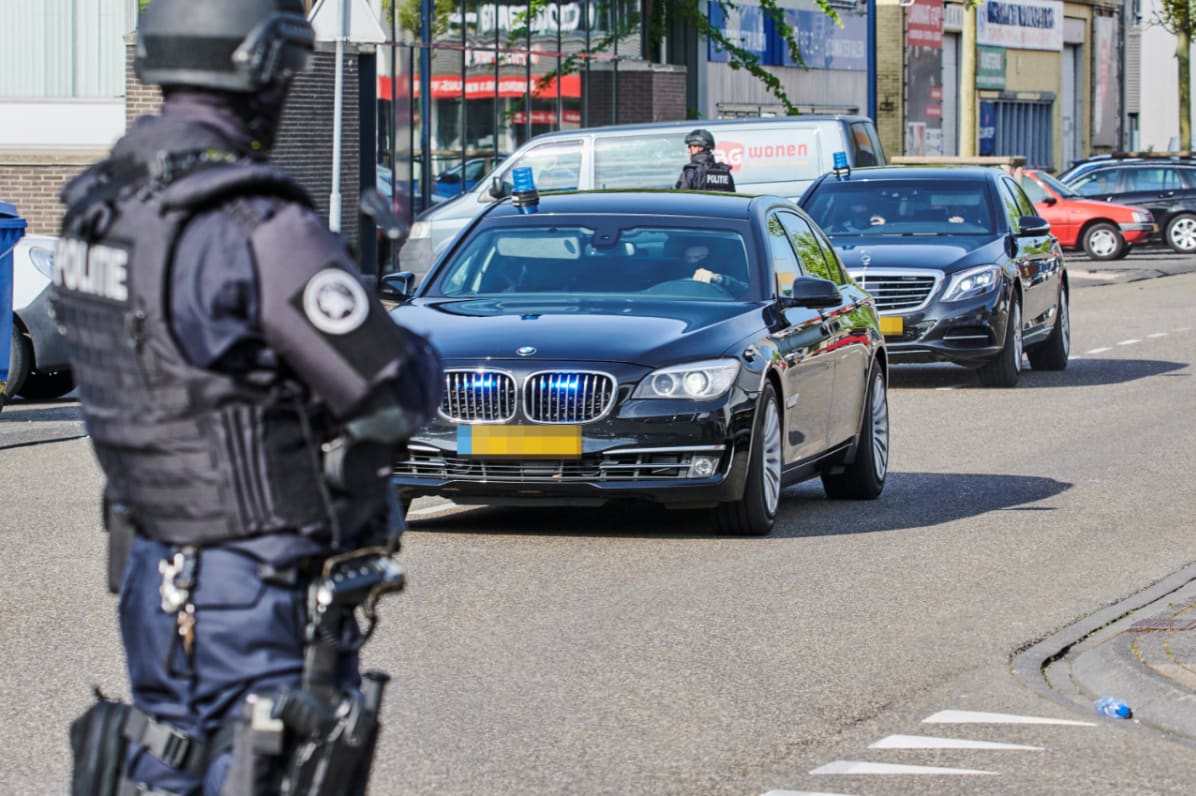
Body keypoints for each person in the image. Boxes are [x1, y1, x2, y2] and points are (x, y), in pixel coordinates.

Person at [58, 1, 442, 794]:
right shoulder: (255, 223)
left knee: (169, 759)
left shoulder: (98, 207)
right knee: (262, 768)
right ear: (264, 67)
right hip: (251, 571)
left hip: (150, 556)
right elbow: (389, 393)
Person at [681, 241, 749, 295]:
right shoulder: (677, 272)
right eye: (688, 258)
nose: (692, 261)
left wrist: (718, 278)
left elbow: (745, 289)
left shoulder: (728, 270)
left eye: (698, 257)